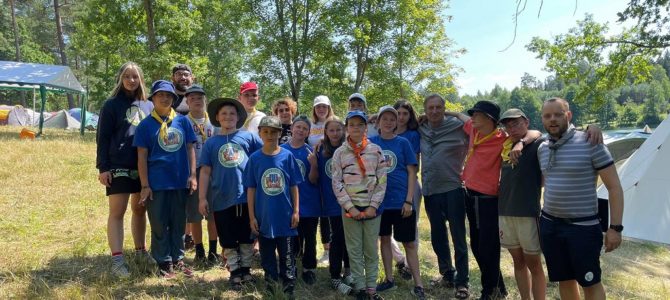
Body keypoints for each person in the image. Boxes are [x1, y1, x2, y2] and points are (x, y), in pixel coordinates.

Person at [447, 100, 541, 299]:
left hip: (487, 199)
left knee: (487, 247)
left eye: (477, 114)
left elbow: (535, 133)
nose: (472, 117)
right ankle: (497, 286)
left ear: (490, 119)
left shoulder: (503, 139)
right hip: (470, 195)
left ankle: (489, 290)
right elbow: (462, 117)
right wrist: (450, 112)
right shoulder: (474, 130)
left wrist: (521, 143)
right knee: (477, 245)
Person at [538, 97, 624, 300]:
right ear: (542, 119)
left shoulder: (591, 142)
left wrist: (616, 228)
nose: (552, 119)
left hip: (583, 228)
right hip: (550, 225)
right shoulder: (543, 148)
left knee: (590, 282)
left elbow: (614, 187)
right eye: (547, 115)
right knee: (565, 280)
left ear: (568, 115)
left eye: (558, 114)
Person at [133, 80, 197, 279]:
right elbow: (141, 156)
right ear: (153, 98)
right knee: (159, 222)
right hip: (157, 183)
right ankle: (163, 261)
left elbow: (190, 148)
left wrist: (193, 175)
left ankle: (177, 259)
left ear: (173, 99)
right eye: (160, 95)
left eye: (168, 95)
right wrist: (145, 185)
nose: (164, 98)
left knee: (178, 221)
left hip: (179, 181)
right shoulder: (145, 125)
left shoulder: (182, 121)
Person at [96, 61, 154, 278]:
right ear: (121, 79)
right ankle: (117, 259)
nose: (131, 80)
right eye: (127, 76)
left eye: (135, 76)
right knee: (117, 212)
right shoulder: (111, 105)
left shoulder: (148, 105)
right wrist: (103, 167)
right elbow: (102, 137)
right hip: (118, 164)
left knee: (140, 210)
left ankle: (141, 251)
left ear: (140, 80)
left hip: (142, 166)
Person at [198, 97, 262, 290]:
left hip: (245, 198)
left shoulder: (248, 138)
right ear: (217, 117)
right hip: (221, 199)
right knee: (227, 237)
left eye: (232, 113)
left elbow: (264, 155)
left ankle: (246, 270)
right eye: (224, 113)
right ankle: (234, 271)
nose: (228, 117)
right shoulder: (211, 143)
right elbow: (206, 171)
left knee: (246, 236)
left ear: (238, 117)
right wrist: (202, 198)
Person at [417, 93, 470, 299]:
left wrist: (454, 112)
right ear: (425, 110)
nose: (435, 111)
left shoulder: (457, 126)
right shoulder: (420, 127)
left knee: (458, 237)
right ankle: (447, 274)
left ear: (444, 108)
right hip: (430, 191)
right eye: (430, 108)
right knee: (438, 237)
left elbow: (473, 124)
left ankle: (462, 282)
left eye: (439, 107)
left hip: (454, 189)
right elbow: (393, 120)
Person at [370, 106, 425, 299]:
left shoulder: (403, 143)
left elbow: (412, 172)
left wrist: (409, 200)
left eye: (392, 119)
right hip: (380, 203)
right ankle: (389, 279)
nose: (388, 122)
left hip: (402, 202)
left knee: (409, 242)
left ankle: (418, 284)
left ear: (396, 122)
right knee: (384, 239)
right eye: (384, 119)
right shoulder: (371, 143)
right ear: (378, 122)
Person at [332, 110, 387, 300]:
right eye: (352, 124)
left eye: (359, 124)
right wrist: (350, 206)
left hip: (372, 209)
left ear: (366, 127)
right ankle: (360, 287)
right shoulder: (340, 153)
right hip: (351, 209)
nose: (356, 128)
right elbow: (337, 182)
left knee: (371, 248)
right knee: (354, 249)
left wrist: (373, 206)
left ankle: (372, 287)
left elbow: (382, 181)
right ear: (347, 128)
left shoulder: (376, 151)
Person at [245, 116, 302, 297]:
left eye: (274, 131)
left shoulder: (287, 156)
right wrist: (252, 216)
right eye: (266, 131)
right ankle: (271, 282)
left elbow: (294, 186)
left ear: (280, 133)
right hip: (264, 217)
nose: (270, 135)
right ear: (260, 133)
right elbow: (251, 189)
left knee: (286, 255)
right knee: (267, 255)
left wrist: (296, 211)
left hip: (284, 216)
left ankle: (289, 284)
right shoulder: (254, 159)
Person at [498, 108, 547, 300]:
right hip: (504, 212)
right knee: (517, 262)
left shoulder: (538, 143)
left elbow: (539, 133)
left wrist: (522, 142)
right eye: (508, 125)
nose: (512, 127)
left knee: (534, 264)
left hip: (528, 212)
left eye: (516, 123)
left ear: (526, 121)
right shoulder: (505, 145)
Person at [308, 118, 354, 295]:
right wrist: (313, 164)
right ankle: (335, 276)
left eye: (338, 130)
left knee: (350, 237)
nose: (335, 133)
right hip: (331, 203)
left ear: (343, 131)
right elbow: (313, 179)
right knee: (337, 238)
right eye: (331, 130)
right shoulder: (321, 150)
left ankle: (348, 271)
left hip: (350, 201)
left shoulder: (348, 148)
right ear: (325, 132)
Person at [281, 116, 321, 285]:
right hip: (288, 203)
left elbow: (314, 180)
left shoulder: (311, 152)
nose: (301, 130)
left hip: (309, 202)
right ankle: (290, 267)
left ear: (308, 132)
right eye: (298, 127)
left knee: (310, 237)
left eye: (305, 128)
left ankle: (309, 268)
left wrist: (314, 164)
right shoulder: (281, 150)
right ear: (292, 128)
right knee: (290, 237)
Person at [182, 84, 219, 265]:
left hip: (212, 171)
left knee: (212, 214)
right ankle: (199, 250)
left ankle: (213, 251)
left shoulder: (214, 122)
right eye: (193, 98)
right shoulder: (182, 122)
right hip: (193, 173)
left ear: (205, 100)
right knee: (195, 214)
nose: (197, 101)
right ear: (187, 102)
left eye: (200, 98)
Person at [307, 95, 336, 265]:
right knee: (319, 210)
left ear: (329, 107)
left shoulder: (335, 123)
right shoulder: (310, 125)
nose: (321, 109)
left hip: (331, 170)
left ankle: (332, 249)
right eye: (318, 107)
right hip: (314, 169)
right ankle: (325, 249)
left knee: (329, 211)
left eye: (324, 106)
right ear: (314, 109)